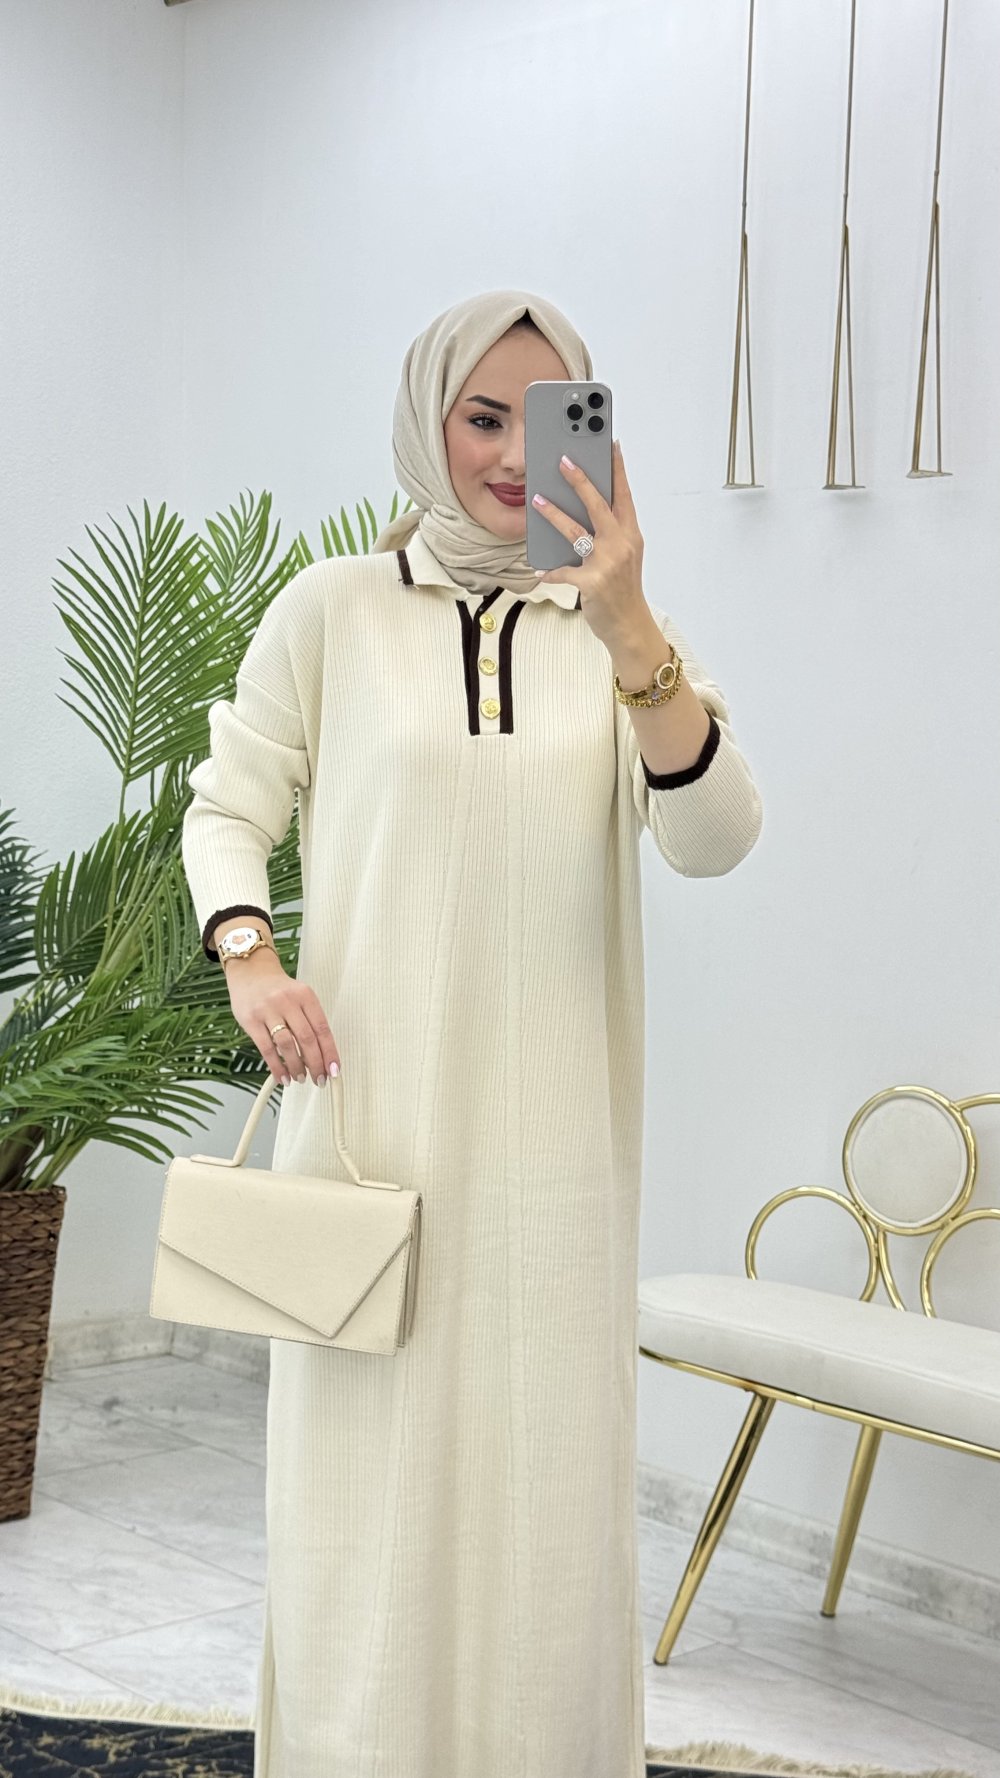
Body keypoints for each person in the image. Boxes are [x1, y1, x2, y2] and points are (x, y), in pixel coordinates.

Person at [181, 288, 763, 1778]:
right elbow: (229, 800)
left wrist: (628, 622)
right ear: (425, 423)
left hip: (556, 1156)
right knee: (362, 1492)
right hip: (368, 1132)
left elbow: (714, 837)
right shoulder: (333, 610)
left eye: (545, 419)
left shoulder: (616, 636)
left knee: (545, 1494)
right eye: (480, 417)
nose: (511, 456)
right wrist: (248, 954)